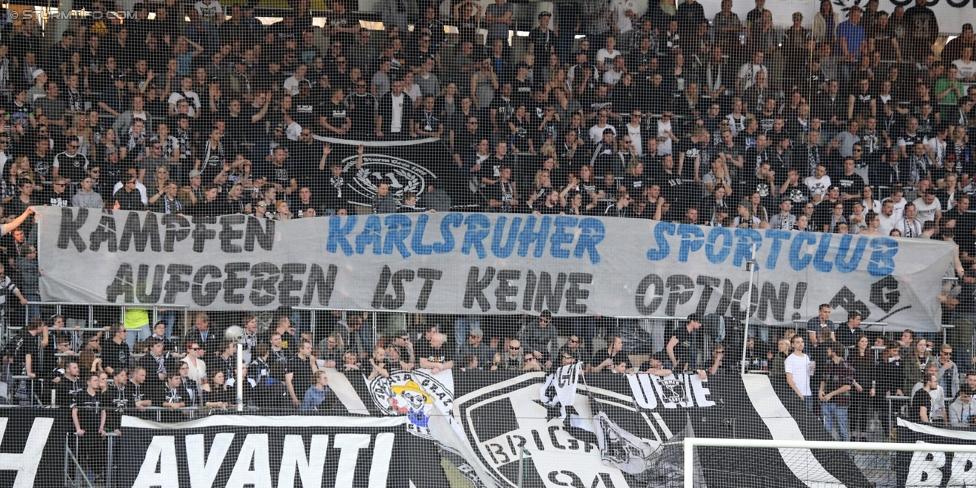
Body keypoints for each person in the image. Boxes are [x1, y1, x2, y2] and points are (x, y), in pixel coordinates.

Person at [819, 342, 855, 442]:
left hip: (840, 403)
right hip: (826, 402)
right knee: (826, 429)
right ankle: (828, 454)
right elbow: (824, 379)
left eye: (829, 349)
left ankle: (846, 455)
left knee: (842, 429)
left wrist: (830, 394)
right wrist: (821, 390)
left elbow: (847, 386)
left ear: (834, 351)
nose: (827, 351)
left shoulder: (847, 366)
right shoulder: (828, 363)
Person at [785, 334, 814, 409]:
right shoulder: (790, 359)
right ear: (793, 345)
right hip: (796, 394)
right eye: (798, 342)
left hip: (808, 393)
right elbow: (789, 379)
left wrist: (812, 369)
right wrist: (798, 393)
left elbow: (810, 374)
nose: (801, 344)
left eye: (802, 342)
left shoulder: (806, 357)